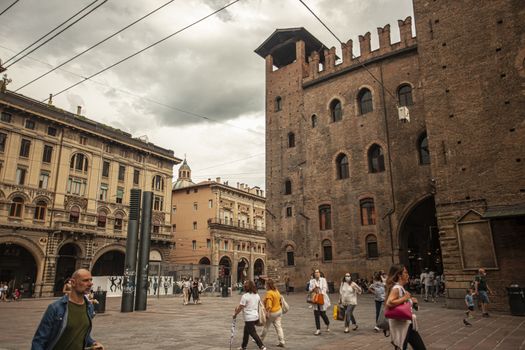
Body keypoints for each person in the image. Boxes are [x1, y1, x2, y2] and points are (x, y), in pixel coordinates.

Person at [32, 268, 104, 350]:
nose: (90, 283)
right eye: (85, 280)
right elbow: (39, 340)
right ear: (73, 282)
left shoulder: (89, 307)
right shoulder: (56, 307)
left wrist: (93, 343)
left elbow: (80, 334)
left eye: (91, 280)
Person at [386, 264, 426, 350]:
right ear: (399, 275)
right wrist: (405, 298)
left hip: (407, 324)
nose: (408, 275)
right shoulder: (396, 288)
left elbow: (402, 304)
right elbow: (390, 302)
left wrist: (411, 301)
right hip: (402, 325)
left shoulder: (400, 288)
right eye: (405, 272)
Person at [233, 280, 266, 350]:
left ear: (246, 288)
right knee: (246, 331)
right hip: (255, 316)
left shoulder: (245, 296)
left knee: (252, 332)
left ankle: (261, 346)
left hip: (249, 317)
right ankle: (243, 346)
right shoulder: (257, 295)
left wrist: (235, 314)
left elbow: (240, 307)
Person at [260, 279, 285, 347]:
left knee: (266, 326)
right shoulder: (276, 291)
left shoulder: (269, 293)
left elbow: (269, 305)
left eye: (265, 284)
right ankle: (281, 341)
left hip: (272, 312)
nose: (265, 286)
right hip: (279, 311)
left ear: (268, 285)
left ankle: (260, 340)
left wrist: (267, 313)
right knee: (278, 327)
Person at [309, 269, 330, 335]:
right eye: (315, 272)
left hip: (322, 298)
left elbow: (325, 288)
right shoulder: (312, 281)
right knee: (316, 314)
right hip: (315, 298)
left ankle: (327, 323)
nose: (316, 273)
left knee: (322, 314)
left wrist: (319, 292)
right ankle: (318, 329)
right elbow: (309, 288)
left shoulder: (323, 280)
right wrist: (313, 289)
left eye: (317, 272)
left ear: (320, 273)